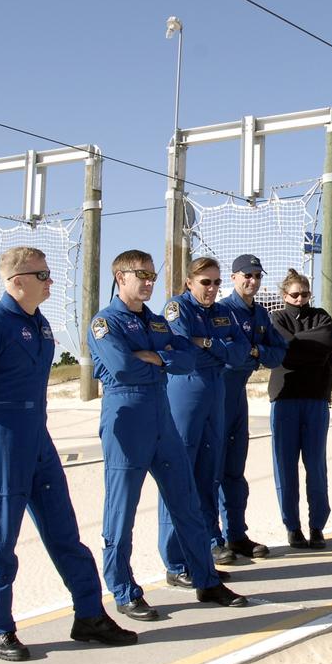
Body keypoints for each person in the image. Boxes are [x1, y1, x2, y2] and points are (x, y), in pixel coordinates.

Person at [0, 246, 137, 661]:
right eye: (43, 275)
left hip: (37, 434)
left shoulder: (41, 325)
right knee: (3, 535)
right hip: (1, 435)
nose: (51, 281)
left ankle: (89, 615)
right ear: (17, 282)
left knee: (64, 530)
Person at [88, 250, 247, 621]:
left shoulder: (158, 324)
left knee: (187, 501)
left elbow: (186, 360)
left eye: (152, 276)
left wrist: (154, 356)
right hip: (126, 419)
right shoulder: (105, 322)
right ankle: (125, 590)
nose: (148, 282)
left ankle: (206, 581)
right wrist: (161, 359)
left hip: (163, 417)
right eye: (140, 275)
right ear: (119, 277)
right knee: (121, 511)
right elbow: (123, 369)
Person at [158, 257, 249, 588]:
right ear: (189, 283)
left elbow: (242, 352)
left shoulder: (223, 313)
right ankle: (175, 562)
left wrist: (208, 342)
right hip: (186, 394)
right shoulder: (176, 309)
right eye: (205, 282)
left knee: (208, 476)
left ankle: (204, 555)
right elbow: (183, 353)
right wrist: (218, 347)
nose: (212, 289)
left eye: (216, 283)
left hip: (216, 393)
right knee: (178, 478)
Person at [218, 254, 289, 562]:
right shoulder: (220, 311)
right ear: (233, 277)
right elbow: (229, 354)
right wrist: (254, 354)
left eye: (258, 276)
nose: (253, 281)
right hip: (216, 393)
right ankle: (211, 538)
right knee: (211, 471)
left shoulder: (261, 314)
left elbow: (278, 353)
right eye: (247, 275)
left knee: (235, 471)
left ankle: (236, 535)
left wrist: (255, 351)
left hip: (238, 396)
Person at [268, 268, 332, 549]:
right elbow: (282, 349)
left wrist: (296, 348)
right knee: (285, 467)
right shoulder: (276, 317)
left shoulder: (322, 316)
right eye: (294, 294)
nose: (300, 298)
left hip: (316, 399)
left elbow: (327, 342)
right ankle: (293, 527)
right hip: (285, 399)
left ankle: (317, 526)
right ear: (285, 295)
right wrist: (307, 350)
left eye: (304, 294)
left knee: (316, 466)